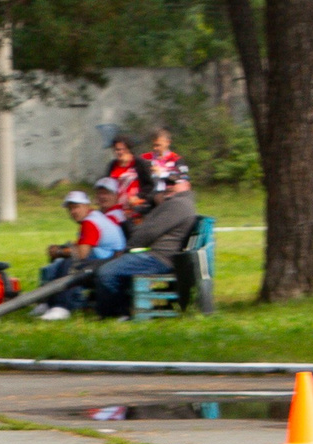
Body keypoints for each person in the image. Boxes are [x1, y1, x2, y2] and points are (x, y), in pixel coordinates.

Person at [91, 173, 198, 319]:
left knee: (106, 272)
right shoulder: (178, 203)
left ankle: (114, 314)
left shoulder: (178, 205)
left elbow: (149, 232)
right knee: (106, 267)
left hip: (159, 259)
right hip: (159, 256)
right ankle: (119, 309)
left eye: (175, 183)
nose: (170, 186)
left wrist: (128, 248)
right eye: (167, 183)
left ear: (187, 185)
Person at [33, 190, 126, 319]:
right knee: (59, 263)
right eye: (70, 209)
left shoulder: (90, 223)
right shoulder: (95, 217)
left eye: (76, 207)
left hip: (110, 261)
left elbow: (82, 254)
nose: (73, 212)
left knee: (69, 264)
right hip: (111, 259)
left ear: (86, 206)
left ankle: (62, 307)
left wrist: (60, 251)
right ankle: (49, 303)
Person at [95, 135, 143, 225]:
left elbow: (149, 185)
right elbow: (107, 185)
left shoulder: (138, 163)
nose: (120, 152)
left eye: (123, 149)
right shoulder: (112, 165)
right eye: (117, 149)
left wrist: (139, 197)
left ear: (129, 149)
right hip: (116, 205)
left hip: (134, 205)